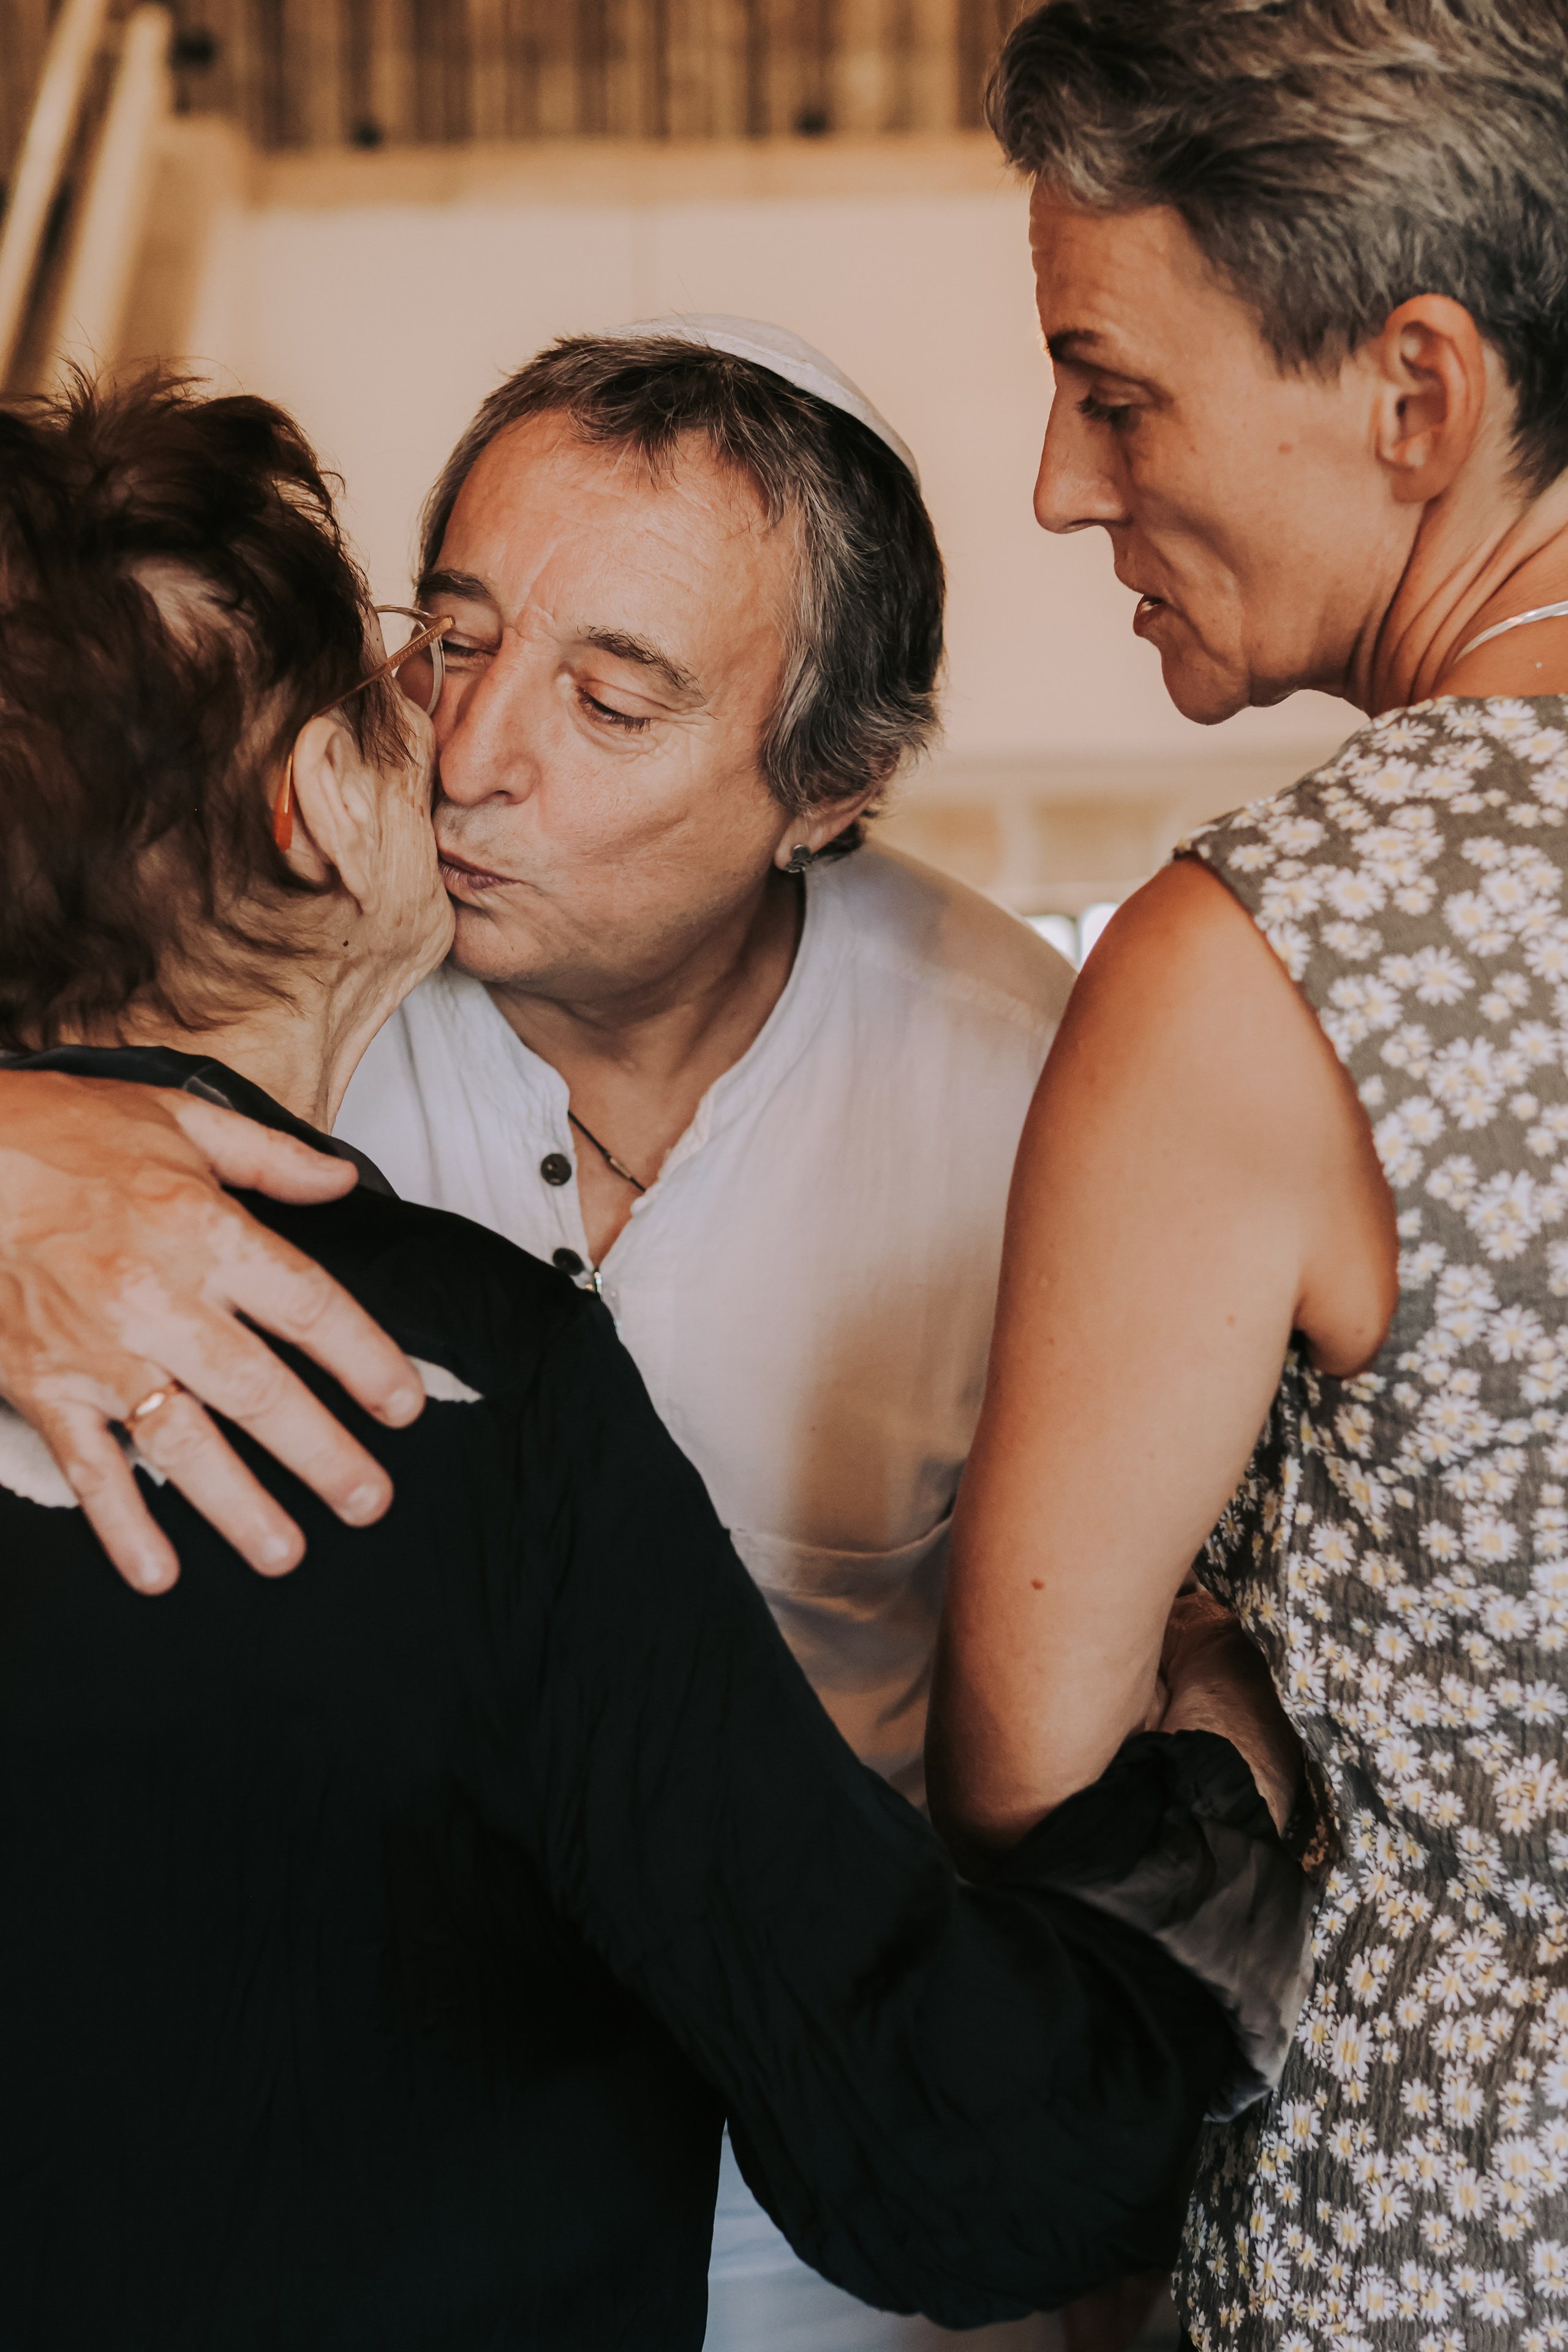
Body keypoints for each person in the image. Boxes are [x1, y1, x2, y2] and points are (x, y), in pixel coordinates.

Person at [0, 372, 1309, 2348]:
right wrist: (1212, 1824)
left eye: (613, 701)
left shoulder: (1038, 1088)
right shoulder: (480, 1386)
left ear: (828, 791)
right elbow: (962, 2150)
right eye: (431, 655)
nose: (467, 754)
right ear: (315, 803)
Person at [925, 4, 1568, 2348]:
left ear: (1419, 395)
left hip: (1451, 2241)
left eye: (1114, 395)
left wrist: (1214, 1637)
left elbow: (1028, 1757)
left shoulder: (1270, 963)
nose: (1057, 488)